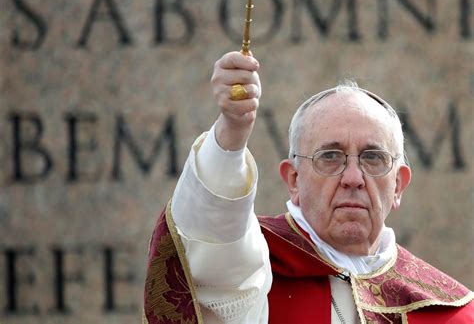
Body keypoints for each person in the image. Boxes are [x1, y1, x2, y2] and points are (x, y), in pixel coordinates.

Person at [143, 52, 473, 324]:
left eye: (373, 157)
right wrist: (232, 130)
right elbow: (210, 246)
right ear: (294, 180)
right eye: (330, 156)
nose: (353, 177)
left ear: (399, 185)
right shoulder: (255, 265)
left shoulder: (448, 312)